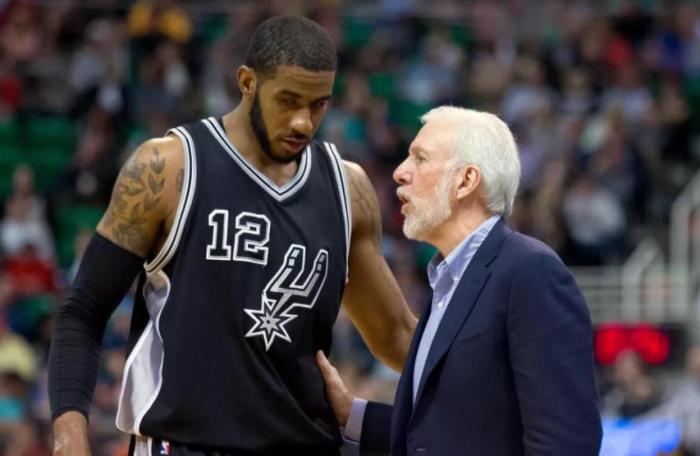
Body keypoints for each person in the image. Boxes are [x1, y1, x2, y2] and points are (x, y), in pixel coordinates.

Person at [48, 16, 416, 456]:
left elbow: (395, 333)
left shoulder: (347, 189)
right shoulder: (168, 168)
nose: (303, 122)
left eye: (318, 105)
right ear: (247, 82)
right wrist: (69, 439)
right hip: (185, 443)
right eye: (288, 101)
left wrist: (476, 393)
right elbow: (83, 312)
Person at [317, 106, 602, 456]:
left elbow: (566, 443)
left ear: (466, 180)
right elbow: (444, 435)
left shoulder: (531, 271)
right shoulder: (446, 282)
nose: (400, 172)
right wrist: (352, 414)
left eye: (419, 158)